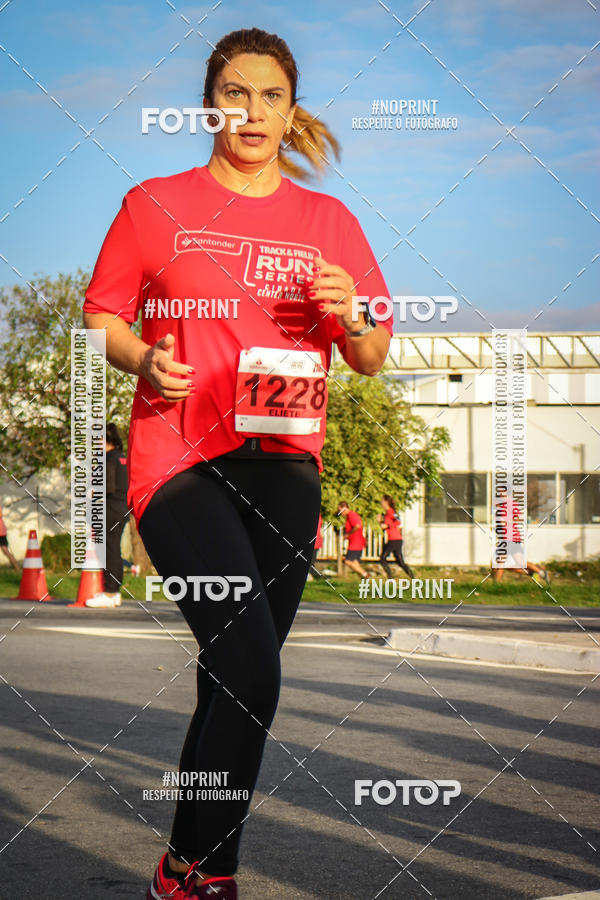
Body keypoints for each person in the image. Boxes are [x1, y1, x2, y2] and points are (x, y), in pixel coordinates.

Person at [82, 27, 392, 900]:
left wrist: (351, 311)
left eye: (271, 96)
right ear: (208, 107)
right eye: (235, 93)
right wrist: (143, 358)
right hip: (179, 462)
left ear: (291, 113)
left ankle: (178, 872)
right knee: (253, 667)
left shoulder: (330, 224)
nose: (252, 112)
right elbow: (102, 317)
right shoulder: (154, 205)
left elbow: (371, 354)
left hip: (286, 470)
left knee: (232, 678)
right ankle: (207, 876)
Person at [86, 423, 130, 607]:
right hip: (122, 507)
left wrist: (91, 493)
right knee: (114, 549)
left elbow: (108, 486)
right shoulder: (122, 458)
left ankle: (110, 592)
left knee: (107, 550)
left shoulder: (108, 459)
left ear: (105, 439)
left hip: (110, 508)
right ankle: (115, 592)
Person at [491, 486, 550, 585]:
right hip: (512, 537)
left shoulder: (507, 504)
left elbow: (515, 519)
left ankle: (496, 584)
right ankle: (541, 572)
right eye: (499, 492)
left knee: (501, 562)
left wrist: (505, 522)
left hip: (509, 537)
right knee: (520, 562)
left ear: (506, 492)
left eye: (501, 492)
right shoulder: (507, 504)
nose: (499, 494)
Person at [377, 494, 414, 578]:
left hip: (394, 540)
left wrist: (386, 525)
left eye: (382, 500)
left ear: (386, 502)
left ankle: (390, 578)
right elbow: (386, 526)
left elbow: (398, 522)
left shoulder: (391, 512)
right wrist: (380, 522)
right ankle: (413, 577)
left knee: (382, 558)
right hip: (395, 539)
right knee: (399, 561)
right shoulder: (388, 513)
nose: (381, 502)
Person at [338, 501, 370, 578]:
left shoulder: (351, 515)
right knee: (355, 561)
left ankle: (366, 574)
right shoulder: (349, 516)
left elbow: (357, 526)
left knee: (348, 561)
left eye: (340, 510)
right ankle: (364, 578)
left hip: (356, 542)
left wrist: (348, 534)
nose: (339, 512)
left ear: (344, 508)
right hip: (356, 541)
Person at [0, 503, 19, 572]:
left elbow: (0, 514)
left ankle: (17, 568)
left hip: (1, 532)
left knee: (5, 550)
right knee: (5, 550)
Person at [307, 512, 323, 580]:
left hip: (314, 542)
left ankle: (321, 577)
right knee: (311, 563)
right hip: (317, 541)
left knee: (310, 564)